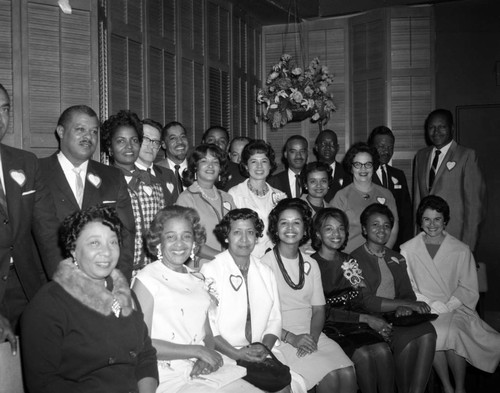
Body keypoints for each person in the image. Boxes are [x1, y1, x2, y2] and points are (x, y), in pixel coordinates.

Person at [21, 206, 158, 393]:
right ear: (73, 250)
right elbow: (43, 385)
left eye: (113, 242)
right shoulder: (49, 304)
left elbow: (146, 357)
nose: (106, 252)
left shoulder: (125, 294)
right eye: (94, 243)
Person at [133, 206, 259, 393]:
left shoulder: (199, 279)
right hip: (164, 374)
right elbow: (140, 344)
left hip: (201, 368)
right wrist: (197, 351)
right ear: (159, 241)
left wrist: (204, 357)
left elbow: (207, 333)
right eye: (170, 237)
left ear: (194, 241)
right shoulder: (146, 280)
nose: (179, 244)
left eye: (186, 236)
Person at [401, 195, 500, 393]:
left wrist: (448, 305)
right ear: (420, 221)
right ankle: (447, 386)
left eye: (437, 219)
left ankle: (460, 387)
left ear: (445, 220)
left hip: (456, 307)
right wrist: (429, 304)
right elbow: (408, 285)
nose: (432, 224)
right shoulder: (407, 249)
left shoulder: (461, 249)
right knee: (432, 332)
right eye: (427, 219)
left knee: (454, 331)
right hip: (423, 309)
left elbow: (468, 287)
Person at [261, 198, 357, 393]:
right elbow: (261, 318)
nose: (290, 228)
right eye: (284, 222)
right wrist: (293, 338)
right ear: (275, 228)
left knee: (347, 372)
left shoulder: (310, 264)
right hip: (282, 337)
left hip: (313, 333)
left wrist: (312, 338)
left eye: (296, 222)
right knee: (328, 376)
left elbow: (319, 309)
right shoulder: (264, 264)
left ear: (305, 229)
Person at [39, 105, 136, 280]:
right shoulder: (37, 172)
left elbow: (126, 235)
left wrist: (120, 283)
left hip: (104, 284)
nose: (88, 137)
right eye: (80, 129)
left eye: (93, 132)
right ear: (61, 131)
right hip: (50, 286)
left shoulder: (112, 177)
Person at [201, 208, 292, 393]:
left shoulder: (265, 271)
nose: (244, 239)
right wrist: (236, 353)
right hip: (225, 352)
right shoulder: (211, 270)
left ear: (257, 237)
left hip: (260, 350)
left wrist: (264, 348)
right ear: (226, 236)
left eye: (250, 232)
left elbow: (275, 319)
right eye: (237, 232)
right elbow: (209, 327)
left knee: (284, 386)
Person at [0, 83, 60, 352]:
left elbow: (48, 232)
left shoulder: (26, 162)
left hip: (26, 284)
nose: (0, 119)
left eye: (4, 109)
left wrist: (66, 285)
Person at [351, 203, 436, 393]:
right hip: (372, 320)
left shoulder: (397, 258)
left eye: (386, 225)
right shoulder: (352, 261)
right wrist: (404, 304)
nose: (382, 230)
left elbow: (407, 293)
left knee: (428, 333)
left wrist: (403, 306)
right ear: (364, 229)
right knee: (409, 340)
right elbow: (365, 301)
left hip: (398, 316)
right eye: (375, 225)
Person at [310, 207, 395, 393]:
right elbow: (322, 312)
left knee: (383, 351)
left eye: (340, 228)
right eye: (329, 229)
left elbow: (359, 300)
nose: (336, 234)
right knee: (363, 355)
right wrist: (366, 319)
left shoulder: (349, 261)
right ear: (318, 233)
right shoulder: (311, 265)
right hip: (331, 326)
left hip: (357, 323)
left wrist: (378, 322)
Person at [101, 110, 167, 272]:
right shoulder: (104, 185)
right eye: (121, 141)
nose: (129, 147)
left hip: (155, 270)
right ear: (110, 148)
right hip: (120, 271)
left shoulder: (154, 183)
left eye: (134, 140)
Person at [413, 109, 486, 251]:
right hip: (425, 237)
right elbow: (418, 202)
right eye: (431, 127)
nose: (436, 131)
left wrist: (468, 247)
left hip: (455, 238)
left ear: (451, 128)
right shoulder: (421, 156)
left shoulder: (467, 156)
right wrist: (416, 238)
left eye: (442, 127)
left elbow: (474, 208)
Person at [331, 142, 399, 253]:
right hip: (349, 260)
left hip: (379, 256)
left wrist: (382, 254)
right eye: (357, 164)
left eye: (368, 164)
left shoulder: (387, 194)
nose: (363, 169)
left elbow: (393, 229)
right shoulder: (341, 196)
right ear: (351, 167)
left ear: (374, 166)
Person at [176, 144, 235, 268]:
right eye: (204, 161)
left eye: (215, 162)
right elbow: (188, 241)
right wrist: (223, 257)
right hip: (200, 268)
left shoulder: (227, 197)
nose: (210, 166)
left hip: (228, 266)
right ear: (195, 167)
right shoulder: (186, 198)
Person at [228, 140, 287, 258]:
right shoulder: (234, 194)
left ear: (270, 165)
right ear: (245, 165)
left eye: (264, 161)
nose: (259, 166)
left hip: (274, 258)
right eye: (254, 161)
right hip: (245, 257)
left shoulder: (280, 196)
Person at [368, 126, 413, 250]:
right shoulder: (363, 175)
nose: (386, 151)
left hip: (396, 243)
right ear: (371, 147)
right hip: (370, 242)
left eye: (390, 147)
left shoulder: (399, 175)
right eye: (381, 147)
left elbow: (406, 214)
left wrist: (406, 245)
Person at [136, 118, 179, 204]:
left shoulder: (168, 174)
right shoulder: (124, 174)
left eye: (155, 142)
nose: (151, 146)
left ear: (159, 147)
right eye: (146, 139)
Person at [313, 129, 350, 203]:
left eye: (332, 144)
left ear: (337, 148)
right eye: (323, 144)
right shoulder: (309, 171)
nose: (328, 147)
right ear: (317, 147)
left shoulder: (347, 172)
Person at [156, 121, 189, 194]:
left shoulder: (198, 168)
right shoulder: (156, 171)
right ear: (164, 144)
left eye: (183, 136)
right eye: (173, 138)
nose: (180, 141)